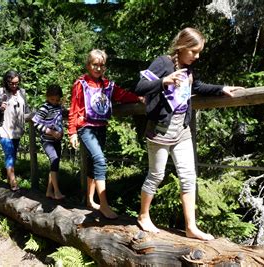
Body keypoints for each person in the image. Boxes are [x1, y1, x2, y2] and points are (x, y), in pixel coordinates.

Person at [134, 27, 244, 240]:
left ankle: (191, 227)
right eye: (194, 51)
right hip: (159, 132)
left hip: (182, 131)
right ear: (182, 47)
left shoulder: (188, 69)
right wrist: (163, 81)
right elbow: (139, 86)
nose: (197, 56)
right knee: (156, 175)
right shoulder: (163, 63)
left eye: (199, 52)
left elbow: (199, 87)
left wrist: (221, 88)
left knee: (188, 177)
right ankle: (143, 216)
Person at [68, 49, 142, 219]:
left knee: (93, 162)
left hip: (101, 127)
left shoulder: (107, 85)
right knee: (100, 160)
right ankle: (104, 205)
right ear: (88, 65)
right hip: (85, 127)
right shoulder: (81, 84)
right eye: (95, 65)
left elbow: (121, 95)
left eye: (102, 65)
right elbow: (73, 108)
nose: (98, 68)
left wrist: (138, 99)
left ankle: (89, 199)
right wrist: (72, 132)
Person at [0, 70, 30, 191]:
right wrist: (0, 108)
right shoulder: (0, 93)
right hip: (4, 129)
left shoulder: (22, 93)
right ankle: (13, 182)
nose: (14, 85)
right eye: (11, 83)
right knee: (9, 155)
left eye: (16, 83)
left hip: (17, 130)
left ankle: (9, 180)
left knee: (13, 155)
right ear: (6, 81)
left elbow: (26, 110)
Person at [32, 84, 65, 200]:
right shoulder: (44, 108)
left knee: (54, 165)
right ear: (47, 97)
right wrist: (50, 132)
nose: (55, 102)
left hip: (57, 141)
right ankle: (57, 192)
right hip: (47, 141)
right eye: (52, 99)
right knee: (54, 159)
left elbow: (60, 120)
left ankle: (48, 191)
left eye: (57, 99)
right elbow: (36, 123)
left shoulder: (58, 107)